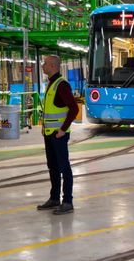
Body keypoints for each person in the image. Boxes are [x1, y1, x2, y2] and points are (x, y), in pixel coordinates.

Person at [36, 55, 79, 215]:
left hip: (58, 135)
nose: (42, 66)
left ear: (53, 65)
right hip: (49, 134)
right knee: (53, 167)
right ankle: (54, 198)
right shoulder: (52, 84)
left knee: (63, 167)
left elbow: (74, 109)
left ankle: (68, 201)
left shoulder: (61, 85)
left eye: (45, 63)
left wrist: (63, 129)